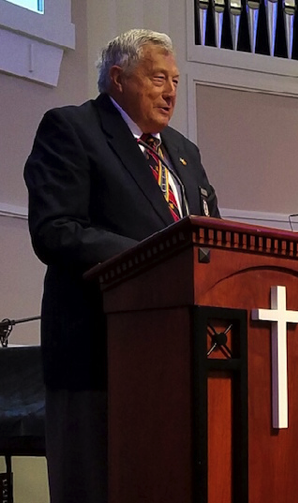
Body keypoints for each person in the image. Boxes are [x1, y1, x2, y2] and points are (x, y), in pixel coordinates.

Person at [24, 29, 220, 503]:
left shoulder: (184, 152)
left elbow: (209, 237)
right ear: (118, 78)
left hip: (176, 360)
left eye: (175, 79)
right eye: (158, 78)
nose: (172, 90)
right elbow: (57, 230)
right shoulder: (72, 129)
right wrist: (156, 258)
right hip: (98, 357)